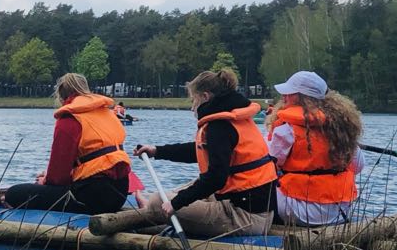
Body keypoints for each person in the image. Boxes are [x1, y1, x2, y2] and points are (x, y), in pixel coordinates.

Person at [105, 66, 276, 238]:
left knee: (160, 202)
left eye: (193, 100)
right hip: (239, 202)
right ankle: (151, 204)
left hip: (244, 216)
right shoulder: (232, 118)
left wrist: (176, 203)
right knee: (178, 191)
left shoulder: (220, 126)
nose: (192, 107)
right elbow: (199, 151)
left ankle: (153, 207)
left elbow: (216, 178)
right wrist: (157, 151)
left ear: (205, 97)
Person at [2, 73, 131, 215]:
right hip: (120, 192)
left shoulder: (70, 117)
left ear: (62, 95)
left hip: (92, 197)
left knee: (13, 194)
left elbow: (57, 178)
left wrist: (44, 180)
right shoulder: (107, 113)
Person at [267, 70, 363, 226]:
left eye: (289, 93)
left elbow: (270, 164)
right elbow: (358, 166)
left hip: (299, 212)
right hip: (340, 212)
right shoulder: (342, 130)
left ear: (301, 97)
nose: (284, 97)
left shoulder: (286, 129)